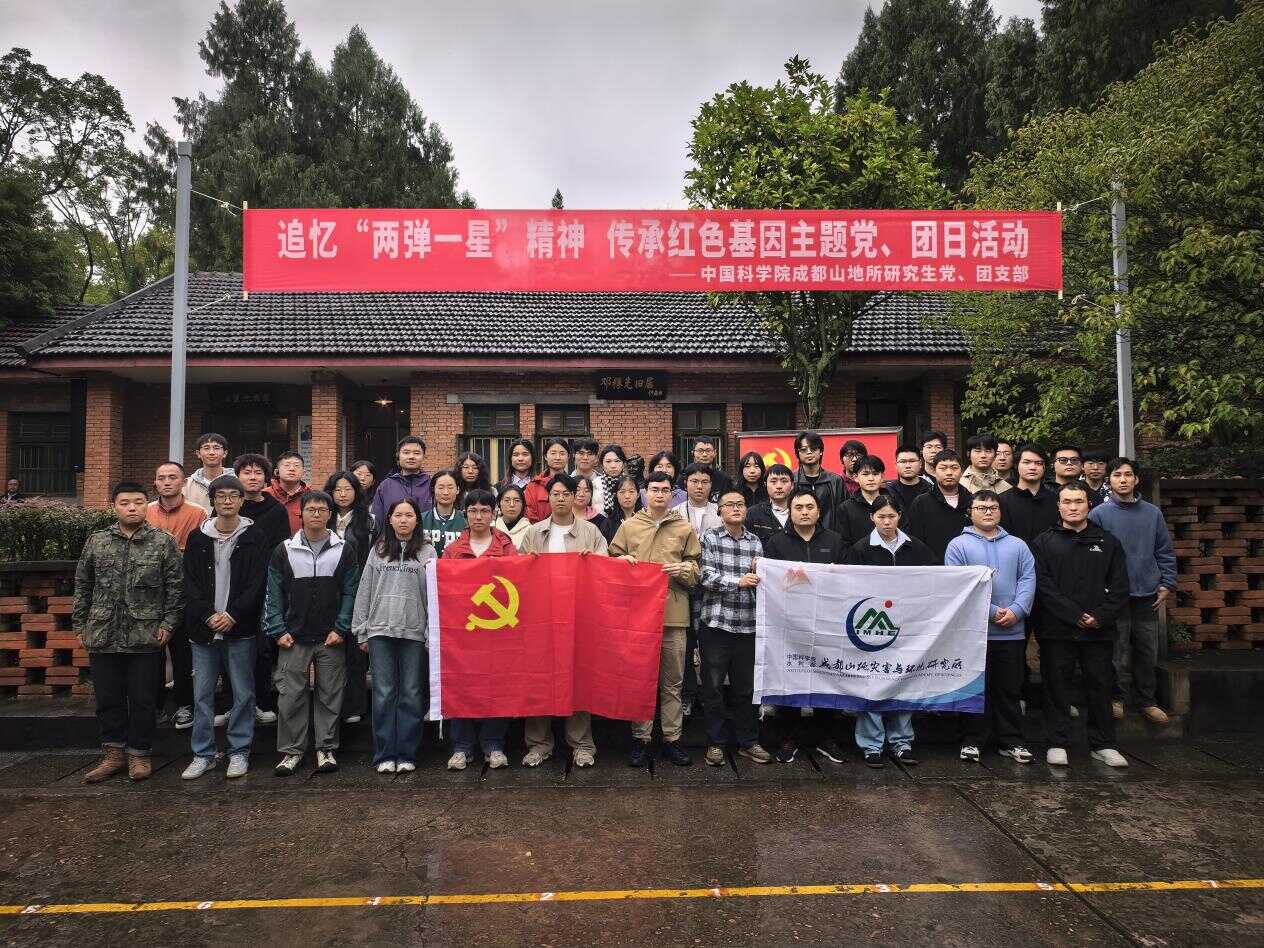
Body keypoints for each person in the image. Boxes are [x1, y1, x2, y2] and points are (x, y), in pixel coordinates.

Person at [73, 481, 184, 783]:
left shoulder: (163, 542)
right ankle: (113, 754)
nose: (132, 508)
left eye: (138, 502)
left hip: (146, 634)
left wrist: (168, 624)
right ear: (114, 506)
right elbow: (83, 585)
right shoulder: (97, 541)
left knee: (143, 699)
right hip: (103, 633)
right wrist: (80, 624)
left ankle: (139, 754)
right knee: (107, 698)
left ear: (146, 505)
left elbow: (175, 587)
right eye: (125, 503)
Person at [1032, 483, 1131, 768]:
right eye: (1067, 502)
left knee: (1100, 686)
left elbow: (1120, 586)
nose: (1073, 507)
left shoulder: (1108, 541)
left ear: (1089, 504)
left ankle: (1103, 744)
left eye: (1078, 501)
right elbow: (1043, 586)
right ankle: (1057, 742)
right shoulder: (1043, 542)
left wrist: (1099, 616)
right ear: (1058, 506)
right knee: (1056, 687)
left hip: (1098, 630)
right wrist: (1074, 614)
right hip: (1057, 629)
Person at [264, 490, 361, 777]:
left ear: (330, 514)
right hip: (293, 636)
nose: (316, 514)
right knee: (290, 696)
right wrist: (277, 629)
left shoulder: (344, 549)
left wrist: (341, 628)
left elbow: (351, 592)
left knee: (330, 694)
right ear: (301, 514)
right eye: (311, 509)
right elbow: (273, 593)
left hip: (331, 637)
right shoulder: (284, 550)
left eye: (322, 510)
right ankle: (291, 751)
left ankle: (325, 748)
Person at [609, 470, 701, 768]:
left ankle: (672, 739)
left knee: (673, 682)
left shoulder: (684, 528)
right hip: (637, 617)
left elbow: (696, 570)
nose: (659, 494)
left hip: (674, 615)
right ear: (645, 493)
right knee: (640, 680)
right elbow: (610, 564)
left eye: (665, 490)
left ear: (672, 494)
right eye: (654, 489)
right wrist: (621, 562)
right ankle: (641, 739)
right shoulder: (629, 527)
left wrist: (684, 570)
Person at [180, 474, 269, 780]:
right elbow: (189, 582)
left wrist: (233, 614)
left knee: (243, 693)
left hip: (240, 628)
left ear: (242, 500)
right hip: (203, 629)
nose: (227, 501)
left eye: (233, 496)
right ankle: (202, 754)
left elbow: (258, 582)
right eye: (221, 496)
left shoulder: (255, 536)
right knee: (202, 694)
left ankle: (239, 751)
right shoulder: (198, 537)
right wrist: (207, 614)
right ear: (213, 501)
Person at [519, 474, 608, 768]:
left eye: (565, 493)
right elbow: (518, 575)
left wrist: (594, 560)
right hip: (541, 619)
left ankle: (582, 745)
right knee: (538, 679)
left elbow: (606, 569)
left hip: (577, 618)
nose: (560, 498)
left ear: (574, 497)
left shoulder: (591, 532)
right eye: (555, 494)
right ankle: (538, 744)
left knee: (578, 679)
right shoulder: (534, 533)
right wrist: (527, 562)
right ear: (549, 498)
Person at [841, 496, 936, 767]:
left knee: (903, 682)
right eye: (881, 516)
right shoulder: (860, 548)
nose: (886, 521)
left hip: (908, 627)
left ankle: (902, 742)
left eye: (891, 516)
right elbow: (849, 586)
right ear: (871, 517)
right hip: (871, 627)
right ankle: (871, 744)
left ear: (900, 517)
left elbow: (935, 579)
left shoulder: (915, 546)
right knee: (872, 684)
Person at [945, 490, 1038, 765]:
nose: (988, 512)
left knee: (1009, 689)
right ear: (970, 512)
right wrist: (993, 612)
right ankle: (972, 740)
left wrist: (1017, 611)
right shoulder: (958, 546)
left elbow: (1028, 579)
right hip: (975, 632)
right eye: (981, 507)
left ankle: (1011, 741)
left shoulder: (1018, 545)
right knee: (974, 689)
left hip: (1012, 631)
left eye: (993, 507)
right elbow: (957, 586)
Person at [1088, 458, 1177, 725]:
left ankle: (1147, 700)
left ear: (1136, 479)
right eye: (1117, 475)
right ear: (1110, 480)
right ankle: (1116, 698)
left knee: (1147, 650)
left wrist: (1167, 583)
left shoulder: (1152, 513)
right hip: (1113, 596)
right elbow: (1091, 556)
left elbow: (1164, 550)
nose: (1123, 480)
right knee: (1116, 651)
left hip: (1147, 594)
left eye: (1128, 475)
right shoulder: (1098, 515)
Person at [763, 488, 848, 764]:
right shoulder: (776, 542)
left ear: (819, 511)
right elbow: (773, 582)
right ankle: (788, 738)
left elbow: (848, 580)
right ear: (790, 511)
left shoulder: (835, 540)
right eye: (798, 508)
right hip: (790, 623)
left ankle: (825, 737)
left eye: (810, 507)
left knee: (827, 677)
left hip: (828, 622)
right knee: (791, 677)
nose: (804, 512)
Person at [351, 497, 436, 774]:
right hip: (380, 630)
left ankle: (407, 753)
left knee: (411, 693)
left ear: (417, 519)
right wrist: (361, 629)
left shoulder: (427, 551)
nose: (403, 520)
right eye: (398, 515)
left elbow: (433, 594)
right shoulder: (378, 550)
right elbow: (365, 588)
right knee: (384, 693)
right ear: (389, 519)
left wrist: (431, 631)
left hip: (414, 631)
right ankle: (385, 754)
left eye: (409, 515)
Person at [441, 489, 518, 770]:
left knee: (496, 685)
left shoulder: (507, 547)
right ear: (465, 514)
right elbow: (444, 588)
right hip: (462, 631)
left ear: (493, 513)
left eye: (485, 510)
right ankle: (461, 747)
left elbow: (518, 583)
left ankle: (493, 745)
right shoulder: (453, 550)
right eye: (473, 511)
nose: (479, 516)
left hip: (498, 629)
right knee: (460, 684)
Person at [698, 487, 769, 766]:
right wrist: (738, 582)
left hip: (748, 625)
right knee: (713, 688)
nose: (736, 508)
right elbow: (706, 576)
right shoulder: (710, 538)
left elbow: (762, 580)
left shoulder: (755, 542)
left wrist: (759, 575)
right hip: (717, 624)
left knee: (746, 689)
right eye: (729, 505)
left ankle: (748, 742)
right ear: (720, 511)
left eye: (740, 504)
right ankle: (715, 743)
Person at [145, 461, 205, 729]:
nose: (167, 482)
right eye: (162, 478)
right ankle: (155, 705)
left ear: (183, 482)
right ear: (155, 483)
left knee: (183, 653)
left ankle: (184, 705)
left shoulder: (198, 513)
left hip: (184, 592)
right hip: (149, 594)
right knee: (152, 653)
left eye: (172, 477)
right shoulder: (145, 511)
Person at [231, 453, 289, 726]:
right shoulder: (229, 504)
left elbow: (280, 550)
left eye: (258, 473)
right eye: (247, 472)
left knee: (262, 648)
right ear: (237, 476)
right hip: (232, 585)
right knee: (232, 646)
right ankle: (233, 702)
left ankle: (262, 702)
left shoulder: (276, 510)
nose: (252, 477)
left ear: (267, 478)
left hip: (265, 585)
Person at [324, 471, 375, 726]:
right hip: (327, 591)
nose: (343, 494)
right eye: (337, 490)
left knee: (356, 652)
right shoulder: (324, 517)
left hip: (359, 590)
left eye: (348, 489)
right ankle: (330, 707)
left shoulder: (369, 521)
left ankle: (355, 705)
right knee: (330, 654)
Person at [673, 463, 721, 716]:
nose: (699, 486)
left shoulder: (720, 512)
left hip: (712, 589)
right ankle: (688, 694)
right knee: (685, 644)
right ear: (686, 484)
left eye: (704, 482)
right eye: (694, 481)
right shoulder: (675, 512)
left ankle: (711, 696)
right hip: (683, 586)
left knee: (710, 645)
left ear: (711, 485)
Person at [905, 449, 974, 562]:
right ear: (934, 471)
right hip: (932, 568)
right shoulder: (921, 503)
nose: (949, 472)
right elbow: (915, 540)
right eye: (943, 468)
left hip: (968, 566)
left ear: (961, 471)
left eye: (954, 468)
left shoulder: (972, 501)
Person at [999, 445, 1060, 546]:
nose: (1032, 467)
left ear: (1044, 467)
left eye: (1038, 463)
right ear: (1016, 465)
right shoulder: (1002, 500)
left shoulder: (1056, 500)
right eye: (1026, 462)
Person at [370, 436, 433, 531]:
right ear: (398, 456)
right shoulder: (386, 486)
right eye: (406, 452)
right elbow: (377, 521)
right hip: (391, 539)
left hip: (425, 538)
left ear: (424, 457)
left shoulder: (432, 485)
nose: (411, 457)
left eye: (416, 453)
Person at [792, 431, 845, 533]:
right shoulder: (791, 480)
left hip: (830, 537)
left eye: (813, 448)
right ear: (798, 453)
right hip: (798, 536)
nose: (809, 452)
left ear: (821, 451)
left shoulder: (835, 481)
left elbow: (842, 515)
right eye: (804, 450)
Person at [836, 455, 894, 546]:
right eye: (865, 474)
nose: (871, 478)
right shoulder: (846, 508)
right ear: (856, 477)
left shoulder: (894, 503)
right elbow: (843, 542)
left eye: (875, 474)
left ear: (882, 477)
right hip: (857, 554)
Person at [744, 463, 793, 548]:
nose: (779, 486)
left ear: (792, 485)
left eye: (784, 481)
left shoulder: (801, 512)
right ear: (765, 484)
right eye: (773, 482)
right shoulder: (753, 513)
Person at [421, 470, 466, 558]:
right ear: (433, 489)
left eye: (450, 487)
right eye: (441, 488)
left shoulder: (466, 520)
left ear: (458, 490)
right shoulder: (420, 519)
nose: (446, 492)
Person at [527, 438, 571, 522]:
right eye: (553, 453)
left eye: (562, 453)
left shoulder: (573, 484)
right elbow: (530, 515)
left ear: (568, 457)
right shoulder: (533, 486)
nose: (557, 457)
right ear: (545, 457)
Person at [183, 432, 229, 512]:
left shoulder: (237, 481)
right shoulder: (186, 486)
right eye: (206, 448)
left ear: (225, 453)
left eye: (216, 448)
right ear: (198, 453)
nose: (211, 452)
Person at [266, 451, 309, 534]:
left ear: (303, 472)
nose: (292, 469)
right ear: (276, 472)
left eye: (296, 465)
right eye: (287, 465)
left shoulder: (312, 496)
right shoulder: (265, 495)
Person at [885, 444, 931, 512]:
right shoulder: (888, 491)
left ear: (920, 463)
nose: (908, 466)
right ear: (896, 465)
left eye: (912, 461)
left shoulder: (931, 490)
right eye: (903, 462)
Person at [602, 474, 642, 544]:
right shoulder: (608, 524)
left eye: (631, 491)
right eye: (622, 492)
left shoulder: (645, 519)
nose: (627, 496)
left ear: (638, 495)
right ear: (616, 495)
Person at [571, 438, 607, 513]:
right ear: (574, 455)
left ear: (596, 458)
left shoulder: (604, 482)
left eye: (590, 454)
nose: (585, 458)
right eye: (581, 453)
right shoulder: (567, 482)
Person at [493, 484, 531, 549]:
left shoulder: (530, 530)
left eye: (517, 500)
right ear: (499, 503)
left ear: (523, 504)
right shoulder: (491, 528)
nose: (512, 505)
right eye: (507, 500)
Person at [596, 444, 628, 515]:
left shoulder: (630, 483)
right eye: (608, 461)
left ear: (623, 463)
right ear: (602, 464)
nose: (613, 466)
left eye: (617, 461)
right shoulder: (594, 484)